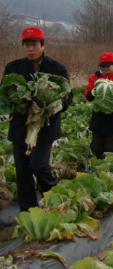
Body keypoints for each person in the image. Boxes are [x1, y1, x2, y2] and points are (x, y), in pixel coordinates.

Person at [3, 27, 72, 212]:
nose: (30, 49)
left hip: (45, 126)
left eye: (34, 44)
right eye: (26, 45)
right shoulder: (13, 68)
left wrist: (54, 107)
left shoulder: (56, 69)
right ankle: (28, 212)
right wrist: (19, 103)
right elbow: (5, 94)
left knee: (38, 165)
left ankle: (55, 200)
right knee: (23, 173)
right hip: (21, 126)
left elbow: (67, 97)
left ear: (43, 45)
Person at [83, 52, 113, 158]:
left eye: (107, 65)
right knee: (96, 148)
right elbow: (87, 95)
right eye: (102, 66)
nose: (105, 68)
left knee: (112, 150)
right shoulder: (94, 79)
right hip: (99, 118)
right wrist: (93, 93)